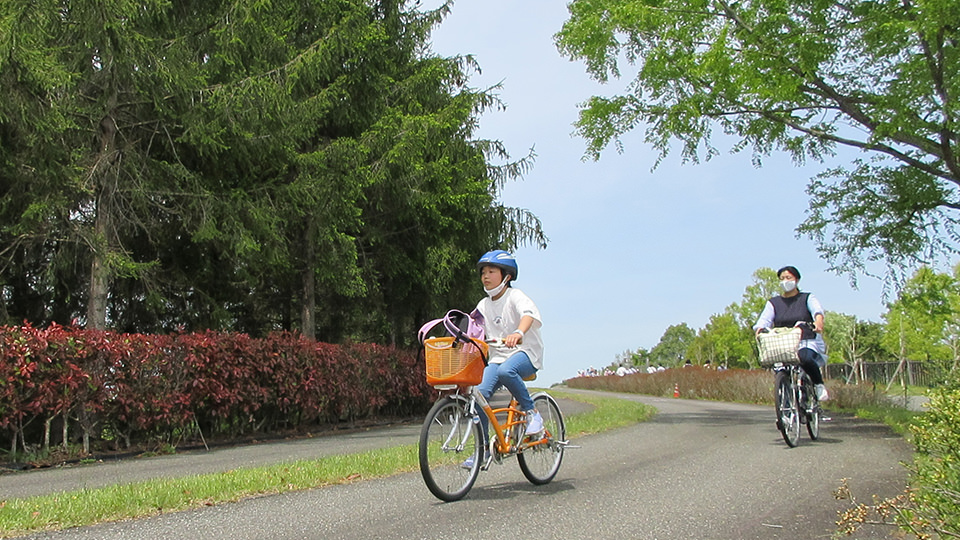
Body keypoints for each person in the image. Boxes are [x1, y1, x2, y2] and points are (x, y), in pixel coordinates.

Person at [466, 250, 544, 467]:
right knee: (479, 396)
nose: (485, 276)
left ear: (506, 276)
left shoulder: (515, 296)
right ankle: (483, 451)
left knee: (506, 371)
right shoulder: (484, 305)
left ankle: (532, 413)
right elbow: (474, 326)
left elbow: (528, 314)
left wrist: (518, 333)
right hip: (499, 357)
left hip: (526, 353)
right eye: (483, 272)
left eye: (491, 271)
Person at [753, 266, 829, 401]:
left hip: (805, 340)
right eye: (782, 279)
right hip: (783, 342)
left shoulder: (807, 298)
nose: (785, 281)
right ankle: (785, 407)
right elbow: (764, 320)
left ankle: (818, 385)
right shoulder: (774, 303)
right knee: (779, 367)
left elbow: (817, 311)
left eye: (788, 278)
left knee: (805, 357)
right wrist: (759, 329)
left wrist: (818, 322)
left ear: (797, 280)